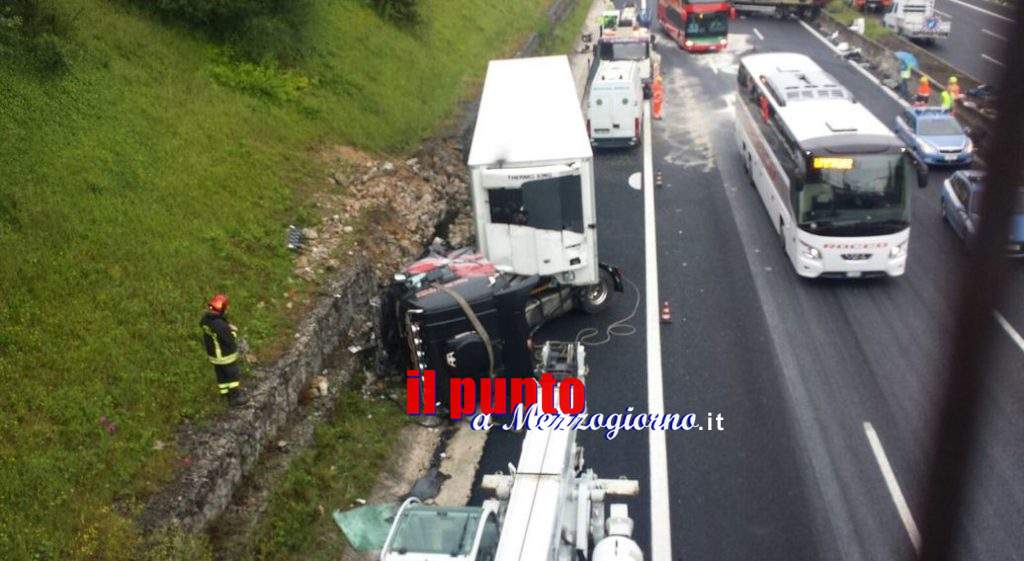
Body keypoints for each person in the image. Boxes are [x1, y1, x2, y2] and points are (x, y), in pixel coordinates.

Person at [200, 294, 246, 406]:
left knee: (221, 374)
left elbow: (217, 330)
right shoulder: (219, 324)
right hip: (225, 355)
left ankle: (224, 394)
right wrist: (233, 331)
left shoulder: (206, 320)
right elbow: (229, 339)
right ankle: (234, 398)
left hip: (214, 355)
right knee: (232, 375)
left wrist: (226, 326)